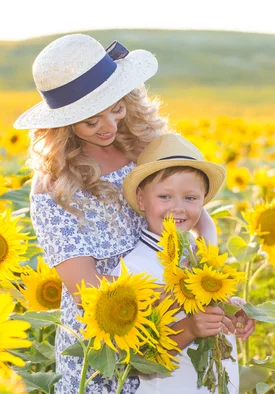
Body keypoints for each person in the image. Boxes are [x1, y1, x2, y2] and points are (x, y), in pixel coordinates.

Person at [15, 34, 221, 393]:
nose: (109, 125)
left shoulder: (145, 144)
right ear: (63, 123)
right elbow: (84, 288)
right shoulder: (53, 185)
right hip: (109, 328)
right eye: (92, 121)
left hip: (180, 304)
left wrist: (207, 276)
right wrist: (171, 301)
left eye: (116, 109)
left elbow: (194, 207)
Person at [113, 133, 256, 394]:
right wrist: (189, 329)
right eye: (165, 197)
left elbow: (208, 306)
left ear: (203, 201)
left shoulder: (198, 258)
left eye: (190, 198)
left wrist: (231, 310)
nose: (178, 208)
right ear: (142, 200)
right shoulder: (133, 270)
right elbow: (137, 362)